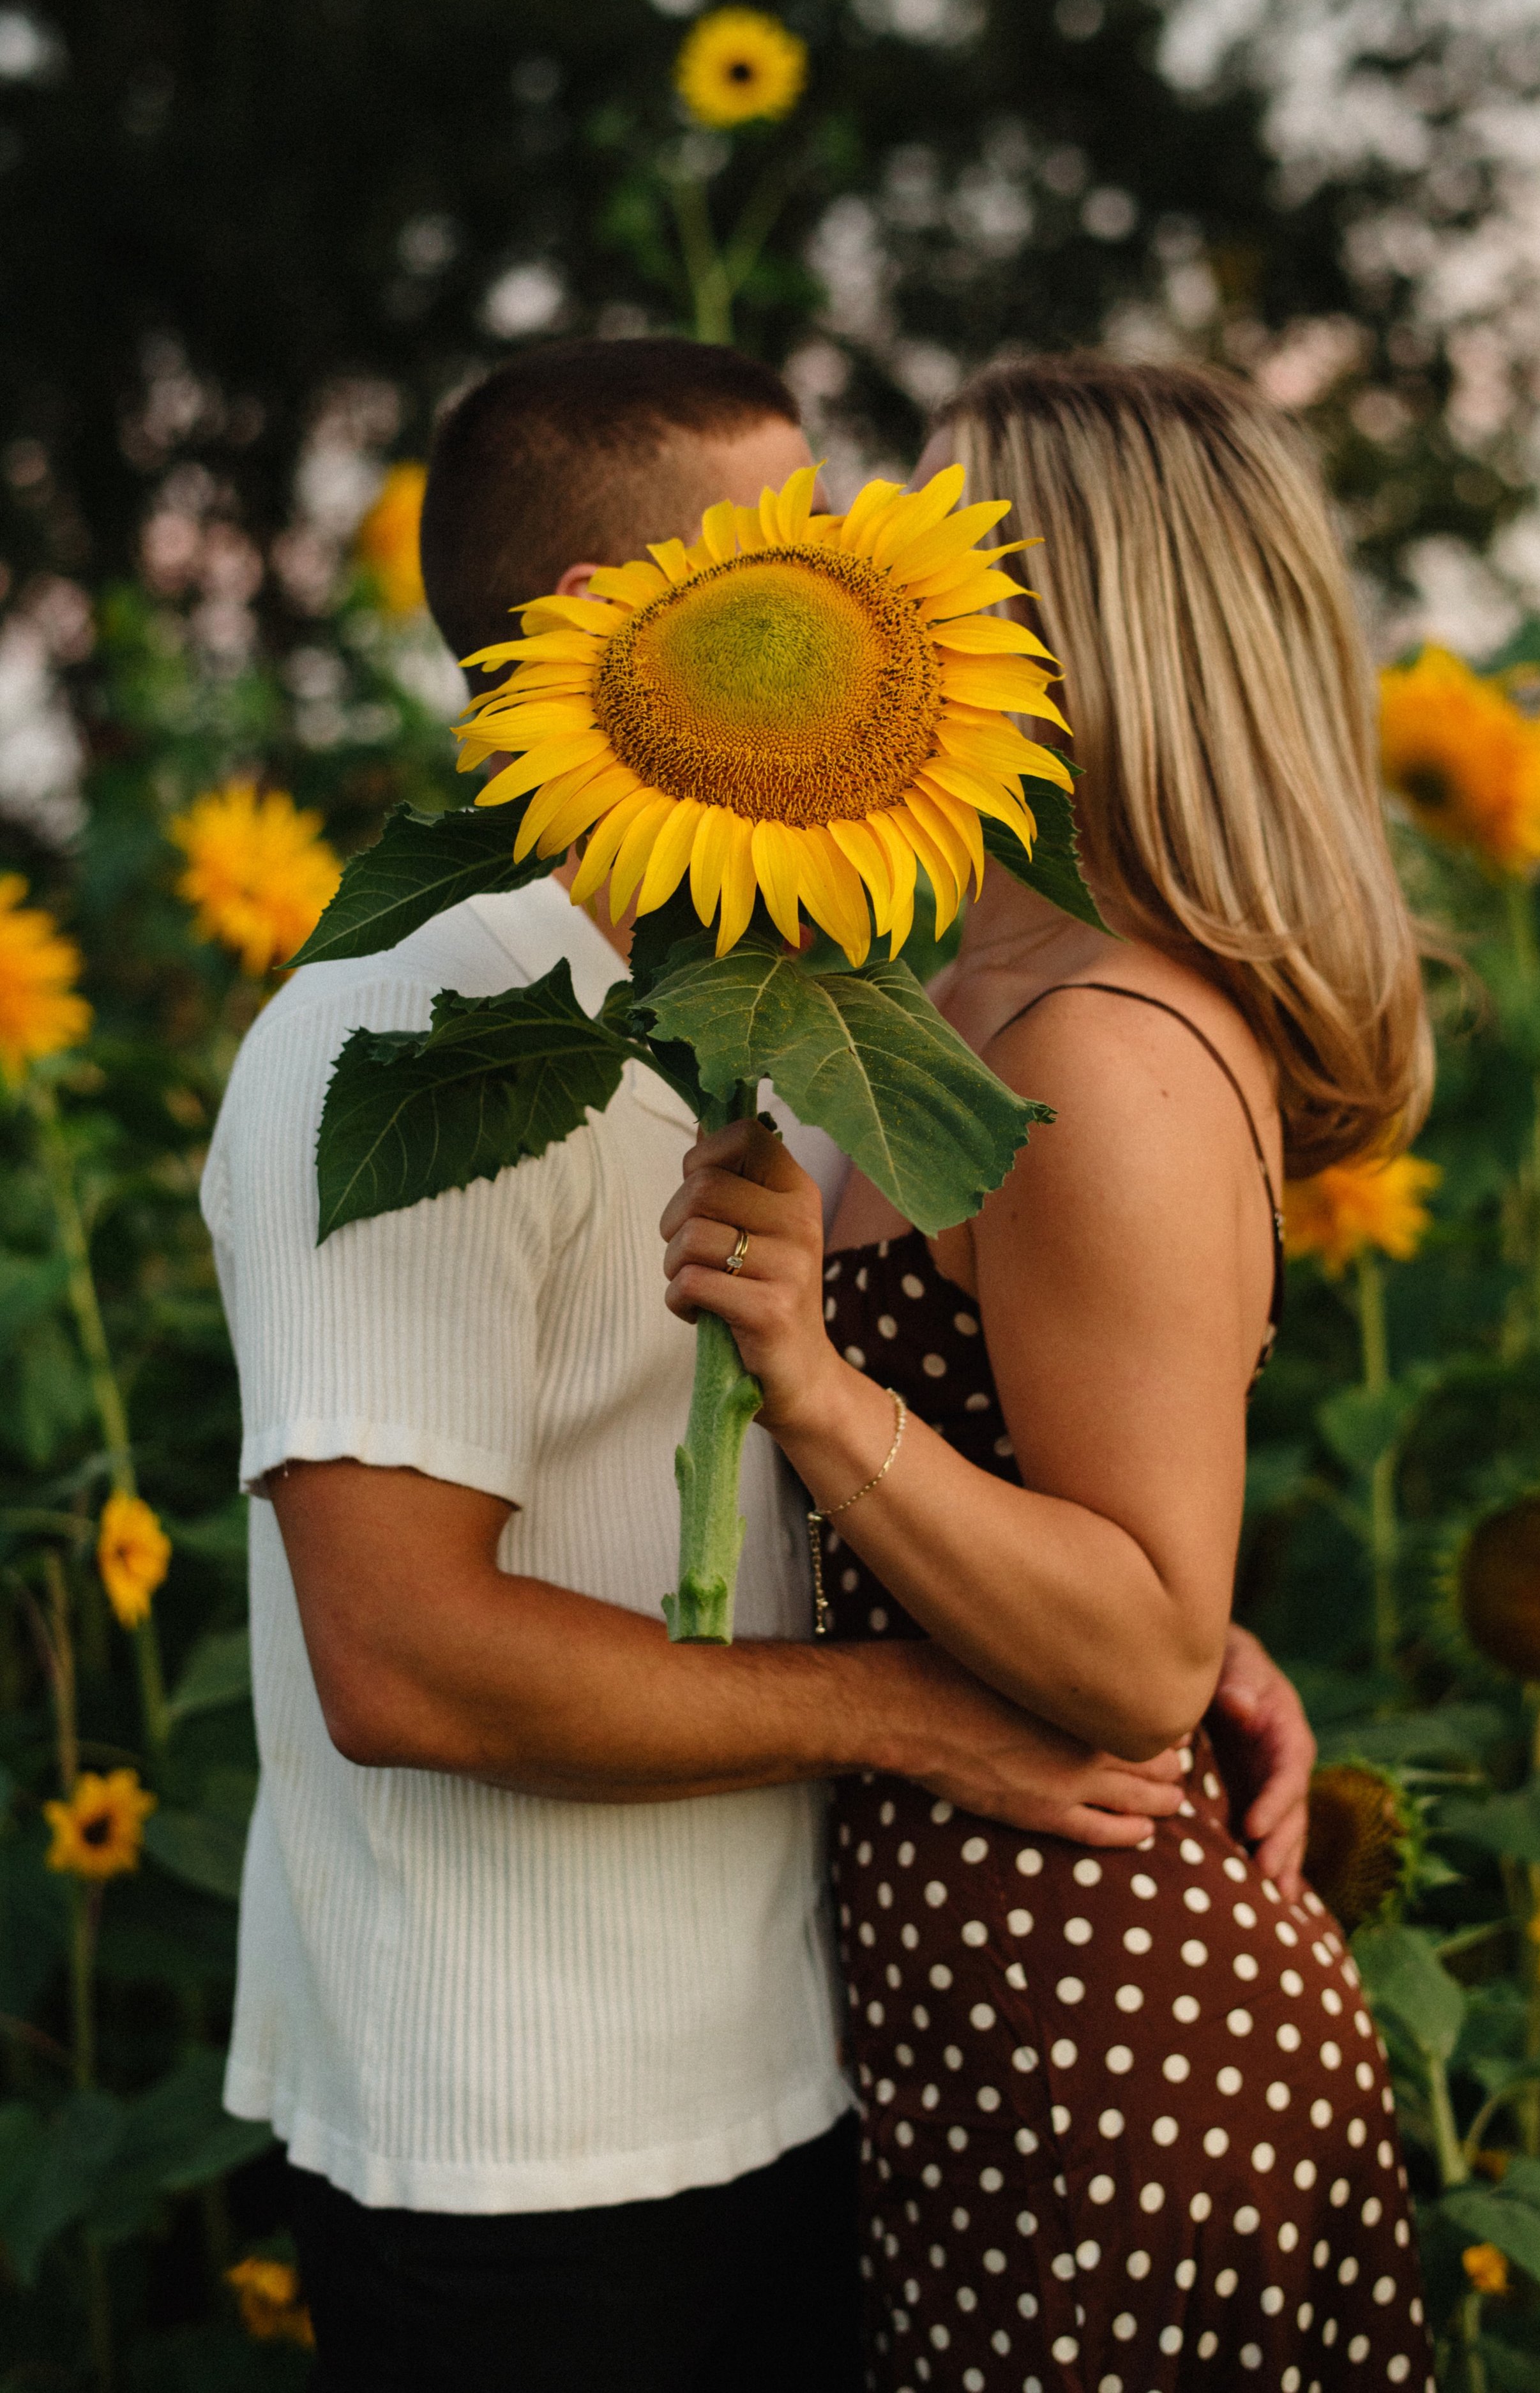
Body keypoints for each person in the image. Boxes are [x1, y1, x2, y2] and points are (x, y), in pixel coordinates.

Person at [203, 336, 1316, 2393]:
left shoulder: (787, 987)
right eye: (786, 552)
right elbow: (403, 1658)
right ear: (600, 634)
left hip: (813, 2085)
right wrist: (918, 1710)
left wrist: (1133, 1618)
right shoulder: (400, 1031)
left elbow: (856, 1441)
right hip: (527, 2166)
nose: (859, 600)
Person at [661, 356, 1435, 2392]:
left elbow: (1135, 1655)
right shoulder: (972, 986)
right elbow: (1096, 1508)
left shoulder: (1097, 1042)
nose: (875, 604)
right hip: (989, 2022)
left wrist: (813, 1384)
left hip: (1107, 2046)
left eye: (935, 558)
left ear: (1065, 621)